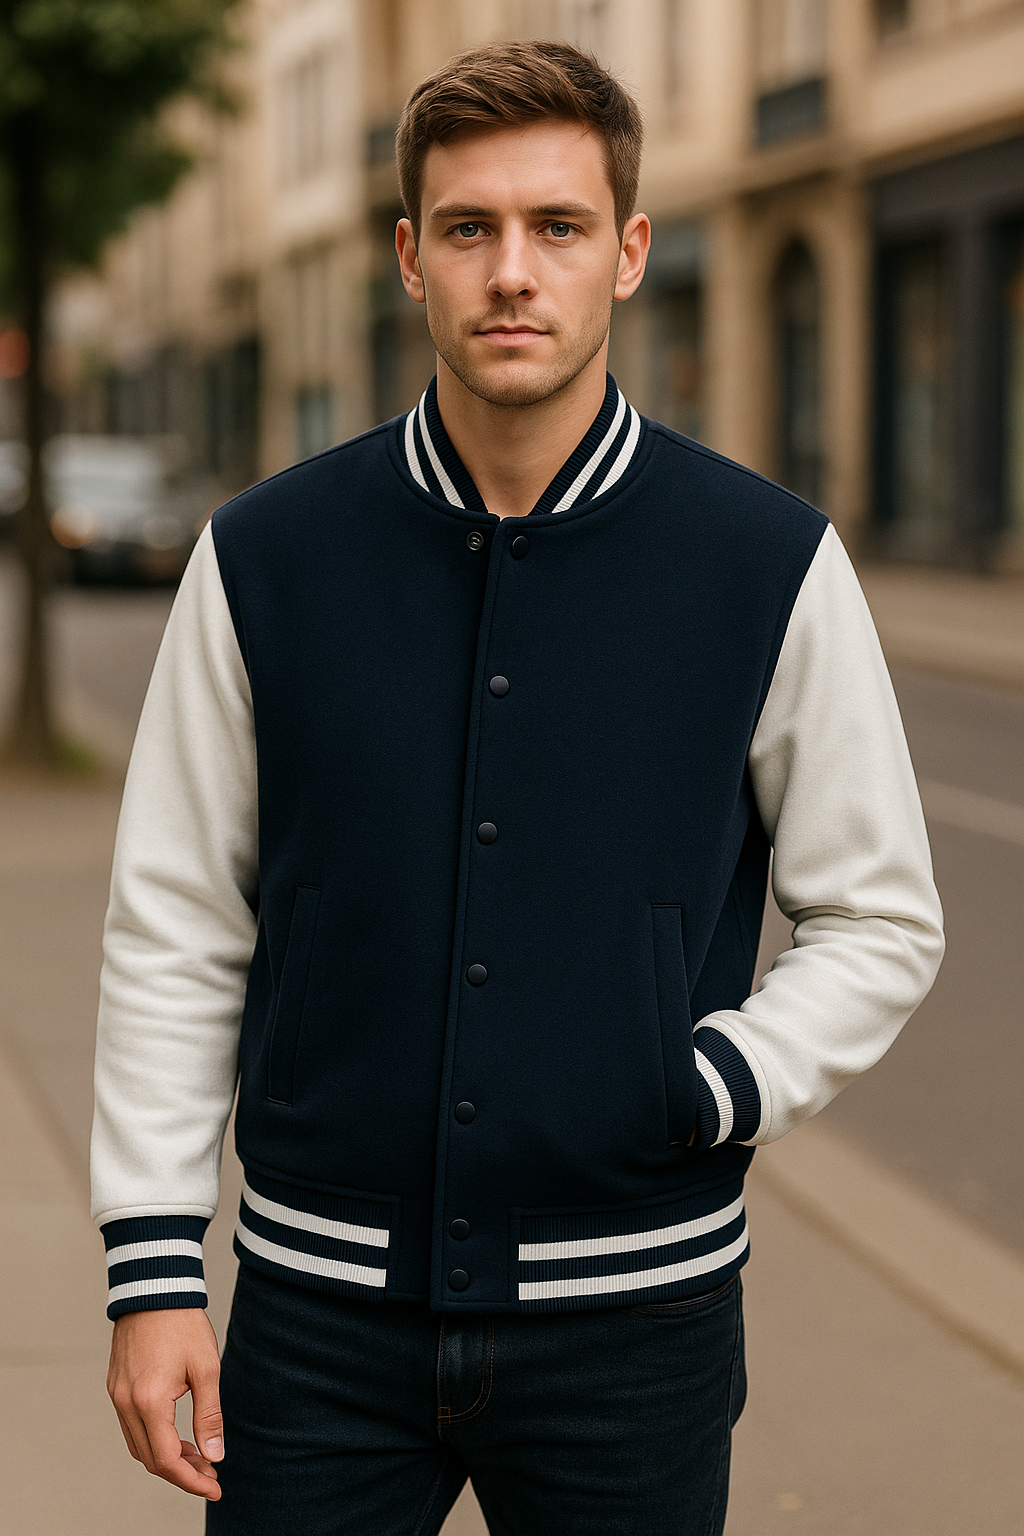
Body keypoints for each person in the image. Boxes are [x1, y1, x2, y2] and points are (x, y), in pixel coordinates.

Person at [93, 39, 944, 1536]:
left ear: (626, 255)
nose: (512, 272)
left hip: (638, 1326)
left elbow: (880, 916)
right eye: (471, 229)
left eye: (557, 228)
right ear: (409, 257)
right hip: (315, 1322)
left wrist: (712, 1085)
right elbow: (175, 918)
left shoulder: (766, 563)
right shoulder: (265, 557)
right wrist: (155, 1269)